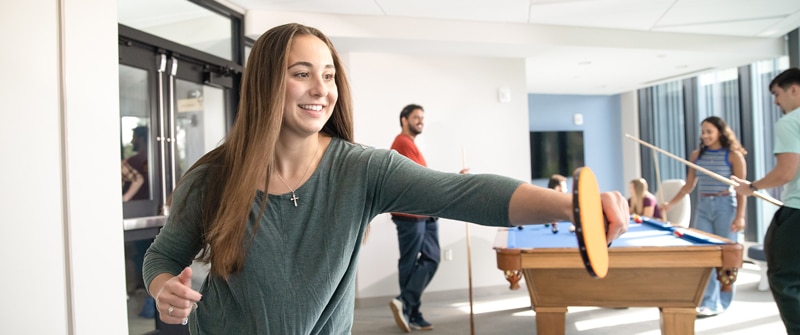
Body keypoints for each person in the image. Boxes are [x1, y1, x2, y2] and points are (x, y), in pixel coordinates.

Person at [142, 22, 629, 335]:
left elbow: (465, 192)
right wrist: (164, 287)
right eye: (302, 73)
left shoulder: (361, 169)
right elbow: (164, 255)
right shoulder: (212, 178)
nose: (321, 89)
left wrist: (571, 207)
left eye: (329, 75)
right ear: (268, 82)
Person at [388, 104, 469, 332]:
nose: (420, 121)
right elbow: (422, 179)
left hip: (423, 214)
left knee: (429, 259)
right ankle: (410, 310)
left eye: (422, 117)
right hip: (410, 214)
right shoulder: (402, 143)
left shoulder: (411, 145)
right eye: (416, 117)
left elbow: (425, 181)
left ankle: (407, 305)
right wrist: (455, 179)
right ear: (404, 120)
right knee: (410, 262)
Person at [732, 67, 800, 334]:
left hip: (797, 213)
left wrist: (751, 187)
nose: (775, 102)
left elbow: (786, 173)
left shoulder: (790, 121)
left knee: (786, 279)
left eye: (777, 94)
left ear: (794, 89)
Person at [662, 116, 747, 317]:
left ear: (720, 132)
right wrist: (669, 204)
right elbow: (689, 186)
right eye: (703, 132)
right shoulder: (697, 155)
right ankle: (708, 301)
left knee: (727, 256)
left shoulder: (733, 155)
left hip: (725, 205)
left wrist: (740, 217)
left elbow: (742, 188)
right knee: (705, 254)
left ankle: (723, 301)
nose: (706, 135)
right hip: (704, 206)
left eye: (709, 131)